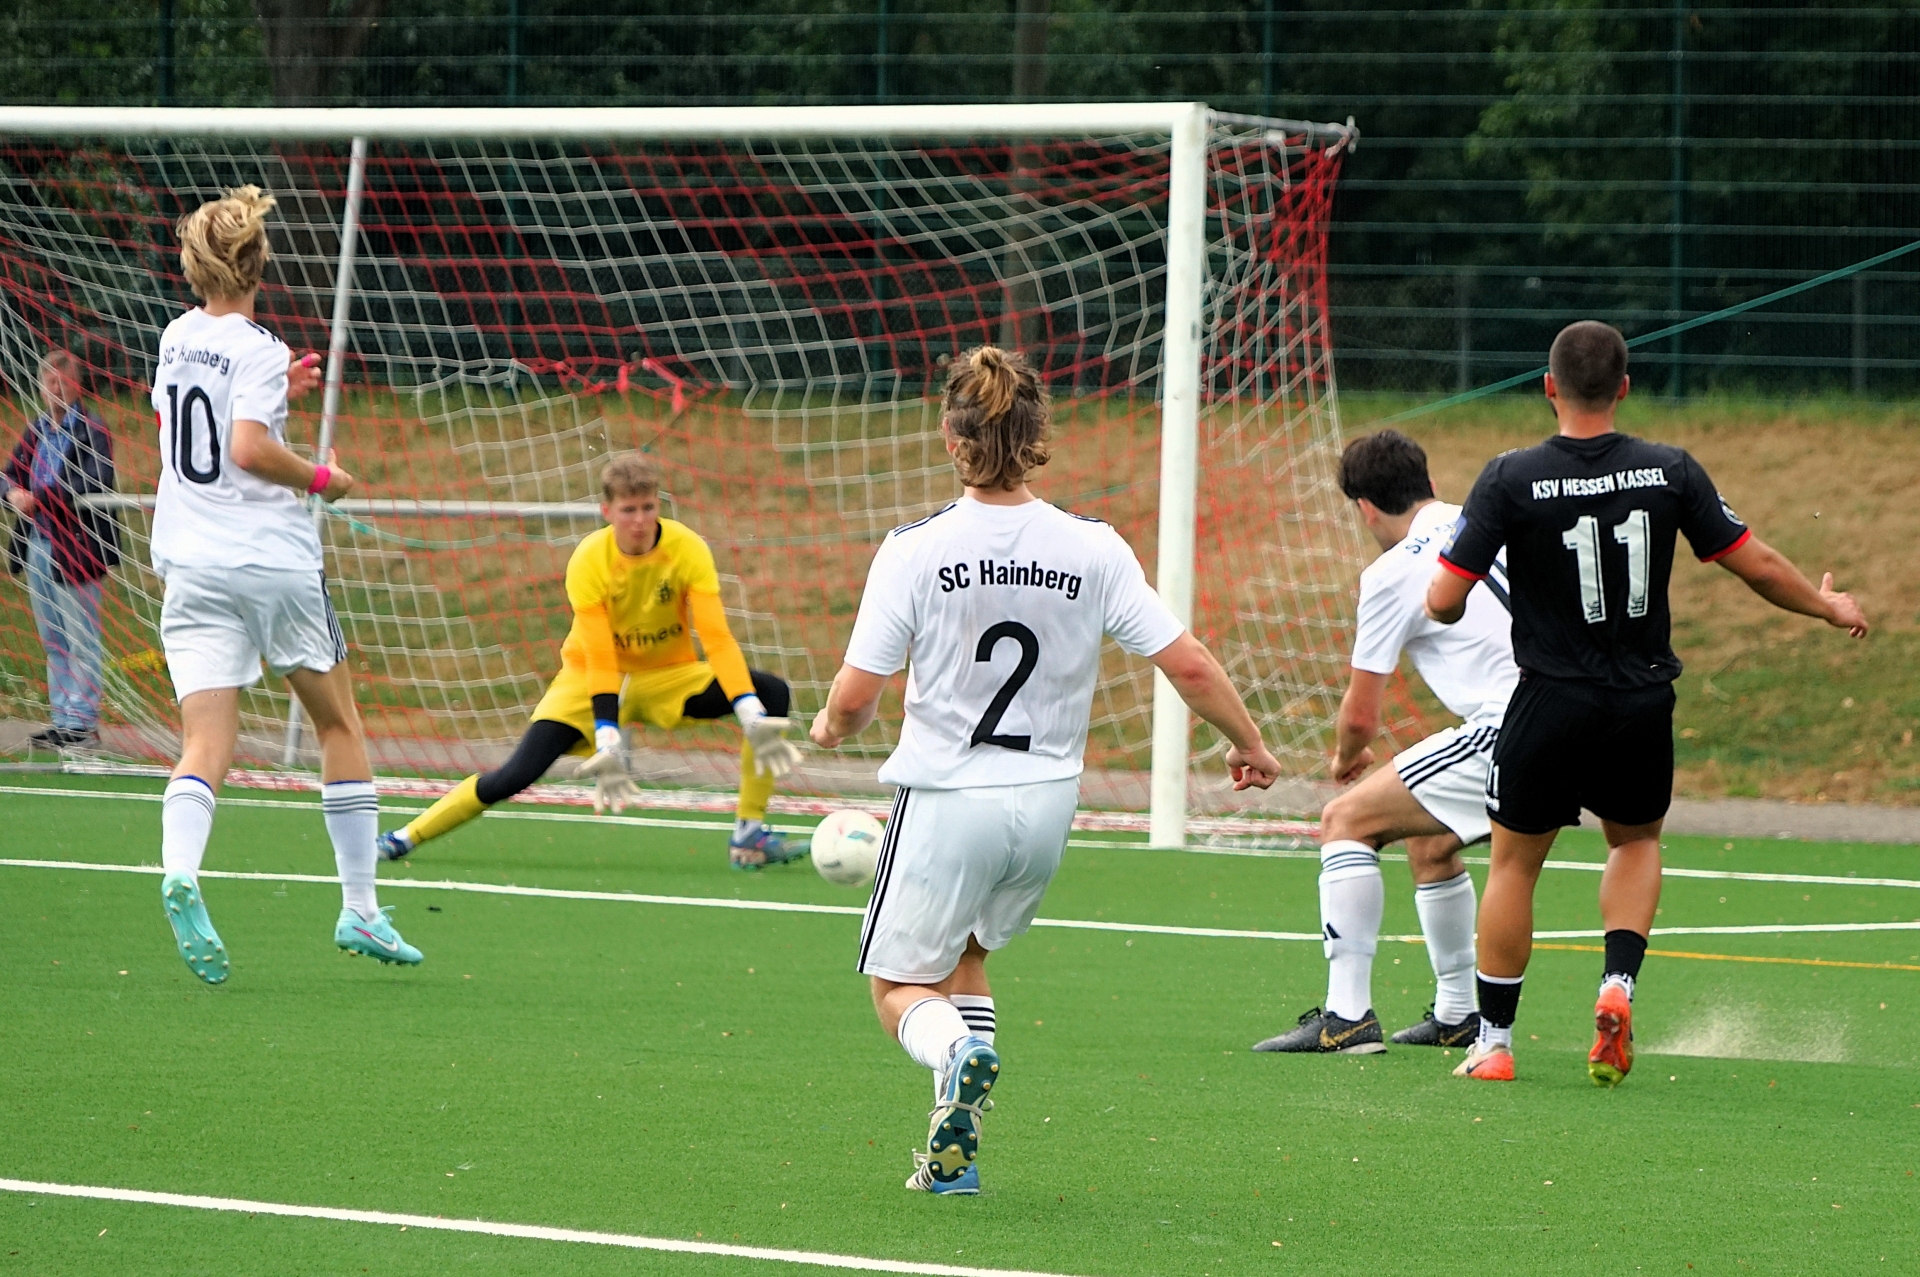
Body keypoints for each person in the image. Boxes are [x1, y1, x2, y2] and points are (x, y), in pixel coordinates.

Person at [810, 345, 1283, 1195]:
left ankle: (956, 1051)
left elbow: (853, 700)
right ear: (1035, 438)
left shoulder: (915, 549)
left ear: (952, 438)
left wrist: (827, 727)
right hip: (1048, 806)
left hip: (949, 798)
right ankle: (955, 1159)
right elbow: (1187, 663)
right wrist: (1249, 742)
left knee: (899, 986)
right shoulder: (1092, 546)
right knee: (968, 955)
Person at [1426, 320, 1868, 1085]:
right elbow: (1755, 562)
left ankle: (1493, 1043)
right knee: (1634, 843)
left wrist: (1452, 600)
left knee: (1514, 864)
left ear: (1549, 387)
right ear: (1624, 387)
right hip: (1639, 701)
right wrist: (1826, 607)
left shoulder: (1509, 476)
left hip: (1548, 698)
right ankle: (1617, 985)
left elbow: (1442, 599)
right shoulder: (1669, 469)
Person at [150, 184, 421, 984]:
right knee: (339, 724)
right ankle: (361, 907)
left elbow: (192, 425)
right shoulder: (261, 347)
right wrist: (323, 478)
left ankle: (180, 870)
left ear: (193, 266)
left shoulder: (175, 337)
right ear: (259, 264)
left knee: (205, 742)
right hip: (268, 562)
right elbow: (245, 449)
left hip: (190, 561)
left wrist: (275, 398)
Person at [377, 452, 804, 870]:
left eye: (648, 507)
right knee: (515, 776)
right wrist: (607, 734)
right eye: (628, 510)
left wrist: (748, 709)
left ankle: (748, 835)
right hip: (587, 680)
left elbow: (717, 637)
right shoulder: (589, 559)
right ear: (607, 511)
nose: (639, 521)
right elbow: (600, 655)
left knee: (771, 693)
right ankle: (405, 837)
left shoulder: (687, 548)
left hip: (667, 678)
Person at [1252, 429, 1517, 1055]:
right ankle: (1458, 1014)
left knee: (1344, 819)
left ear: (1366, 508)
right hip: (1579, 717)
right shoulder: (1490, 522)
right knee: (1431, 839)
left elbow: (1360, 716)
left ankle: (1346, 1019)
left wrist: (1347, 758)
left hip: (1511, 726)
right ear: (1428, 482)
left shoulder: (1393, 573)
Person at [4, 349, 120, 750]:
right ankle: (63, 718)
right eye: (48, 381)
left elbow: (94, 478)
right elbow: (9, 474)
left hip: (76, 546)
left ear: (76, 385)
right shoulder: (37, 430)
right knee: (53, 636)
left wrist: (40, 498)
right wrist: (13, 493)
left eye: (62, 381)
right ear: (40, 386)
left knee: (80, 635)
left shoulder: (92, 429)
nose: (55, 388)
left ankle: (82, 723)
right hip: (37, 543)